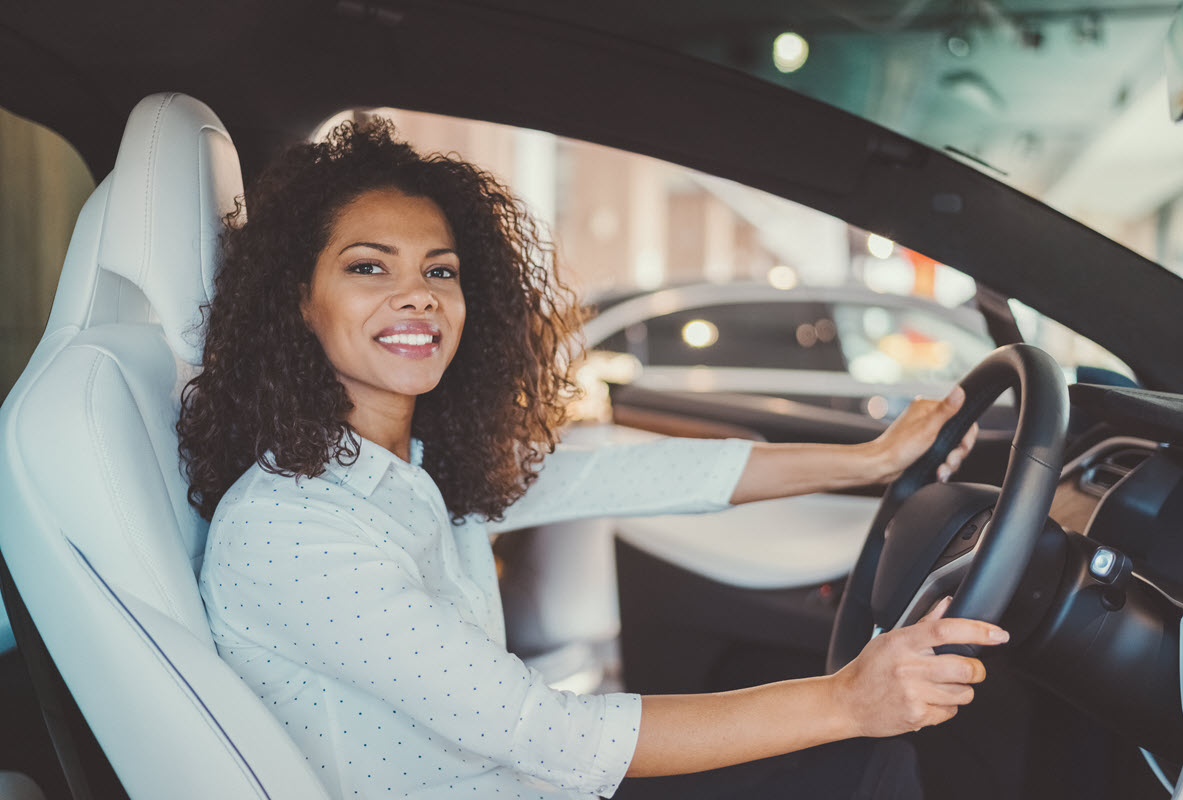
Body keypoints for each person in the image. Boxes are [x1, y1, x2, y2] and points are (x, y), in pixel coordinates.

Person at [179, 119, 1003, 800]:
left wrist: (868, 460)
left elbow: (624, 471)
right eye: (368, 267)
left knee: (854, 767)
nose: (419, 294)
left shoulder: (409, 467)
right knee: (853, 758)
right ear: (298, 301)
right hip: (526, 776)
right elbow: (543, 731)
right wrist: (844, 701)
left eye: (440, 270)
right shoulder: (295, 527)